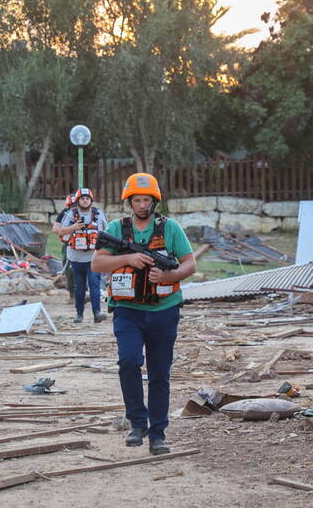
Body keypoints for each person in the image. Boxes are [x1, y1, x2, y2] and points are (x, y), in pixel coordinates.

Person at [91, 173, 196, 455]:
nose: (141, 205)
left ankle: (157, 434)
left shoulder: (170, 228)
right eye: (136, 200)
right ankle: (137, 423)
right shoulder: (117, 228)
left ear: (154, 201)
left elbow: (190, 264)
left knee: (160, 373)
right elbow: (97, 264)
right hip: (128, 311)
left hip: (164, 310)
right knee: (128, 361)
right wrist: (128, 258)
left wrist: (168, 276)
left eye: (146, 200)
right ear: (130, 202)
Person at [59, 188, 108, 323]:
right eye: (82, 198)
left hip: (93, 257)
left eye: (87, 198)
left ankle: (97, 313)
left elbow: (107, 231)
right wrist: (74, 227)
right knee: (79, 286)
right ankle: (79, 313)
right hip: (76, 258)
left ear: (91, 200)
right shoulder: (70, 214)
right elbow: (61, 231)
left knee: (94, 284)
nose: (85, 201)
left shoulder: (99, 213)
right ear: (78, 200)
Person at [52, 194, 76, 300]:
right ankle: (72, 295)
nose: (75, 208)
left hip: (86, 247)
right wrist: (71, 228)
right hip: (69, 245)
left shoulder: (90, 213)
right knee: (69, 270)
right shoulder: (65, 214)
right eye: (73, 205)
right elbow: (55, 229)